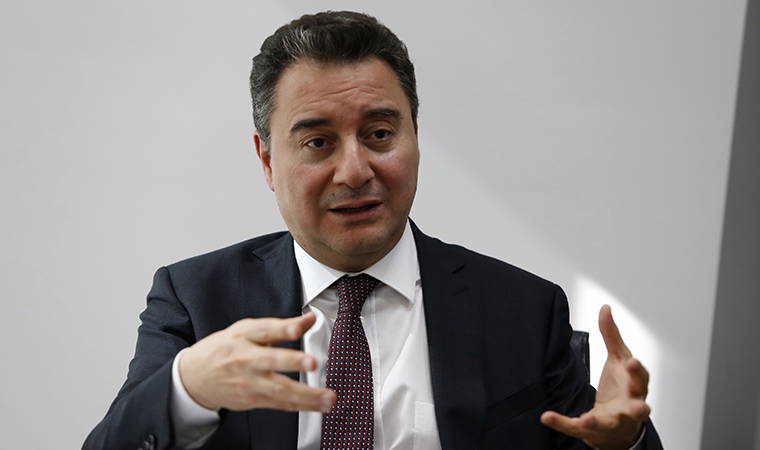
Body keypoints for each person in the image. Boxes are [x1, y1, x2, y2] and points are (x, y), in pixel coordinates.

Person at [84, 11, 663, 450]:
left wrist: (625, 443)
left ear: (415, 137)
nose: (355, 170)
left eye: (380, 134)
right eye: (318, 142)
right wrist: (187, 390)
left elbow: (593, 434)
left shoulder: (523, 309)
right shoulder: (197, 299)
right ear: (267, 161)